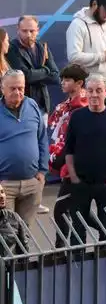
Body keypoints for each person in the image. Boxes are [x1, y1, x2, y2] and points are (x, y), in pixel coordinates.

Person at [60, 73, 106, 245]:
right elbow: (69, 149)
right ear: (85, 92)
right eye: (90, 90)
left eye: (98, 90)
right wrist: (74, 177)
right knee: (77, 231)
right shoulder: (77, 117)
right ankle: (76, 265)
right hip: (81, 183)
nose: (94, 95)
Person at [0, 69, 48, 231]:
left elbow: (42, 139)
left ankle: (24, 258)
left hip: (32, 184)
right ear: (2, 89)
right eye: (12, 88)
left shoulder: (32, 106)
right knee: (7, 234)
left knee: (24, 233)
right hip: (4, 185)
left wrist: (42, 171)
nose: (17, 92)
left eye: (20, 88)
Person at [6, 16, 59, 117]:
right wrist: (46, 70)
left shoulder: (43, 48)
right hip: (21, 107)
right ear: (18, 30)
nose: (28, 35)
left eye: (32, 31)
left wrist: (35, 75)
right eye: (24, 31)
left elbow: (56, 77)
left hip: (42, 106)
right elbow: (25, 76)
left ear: (37, 30)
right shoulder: (12, 48)